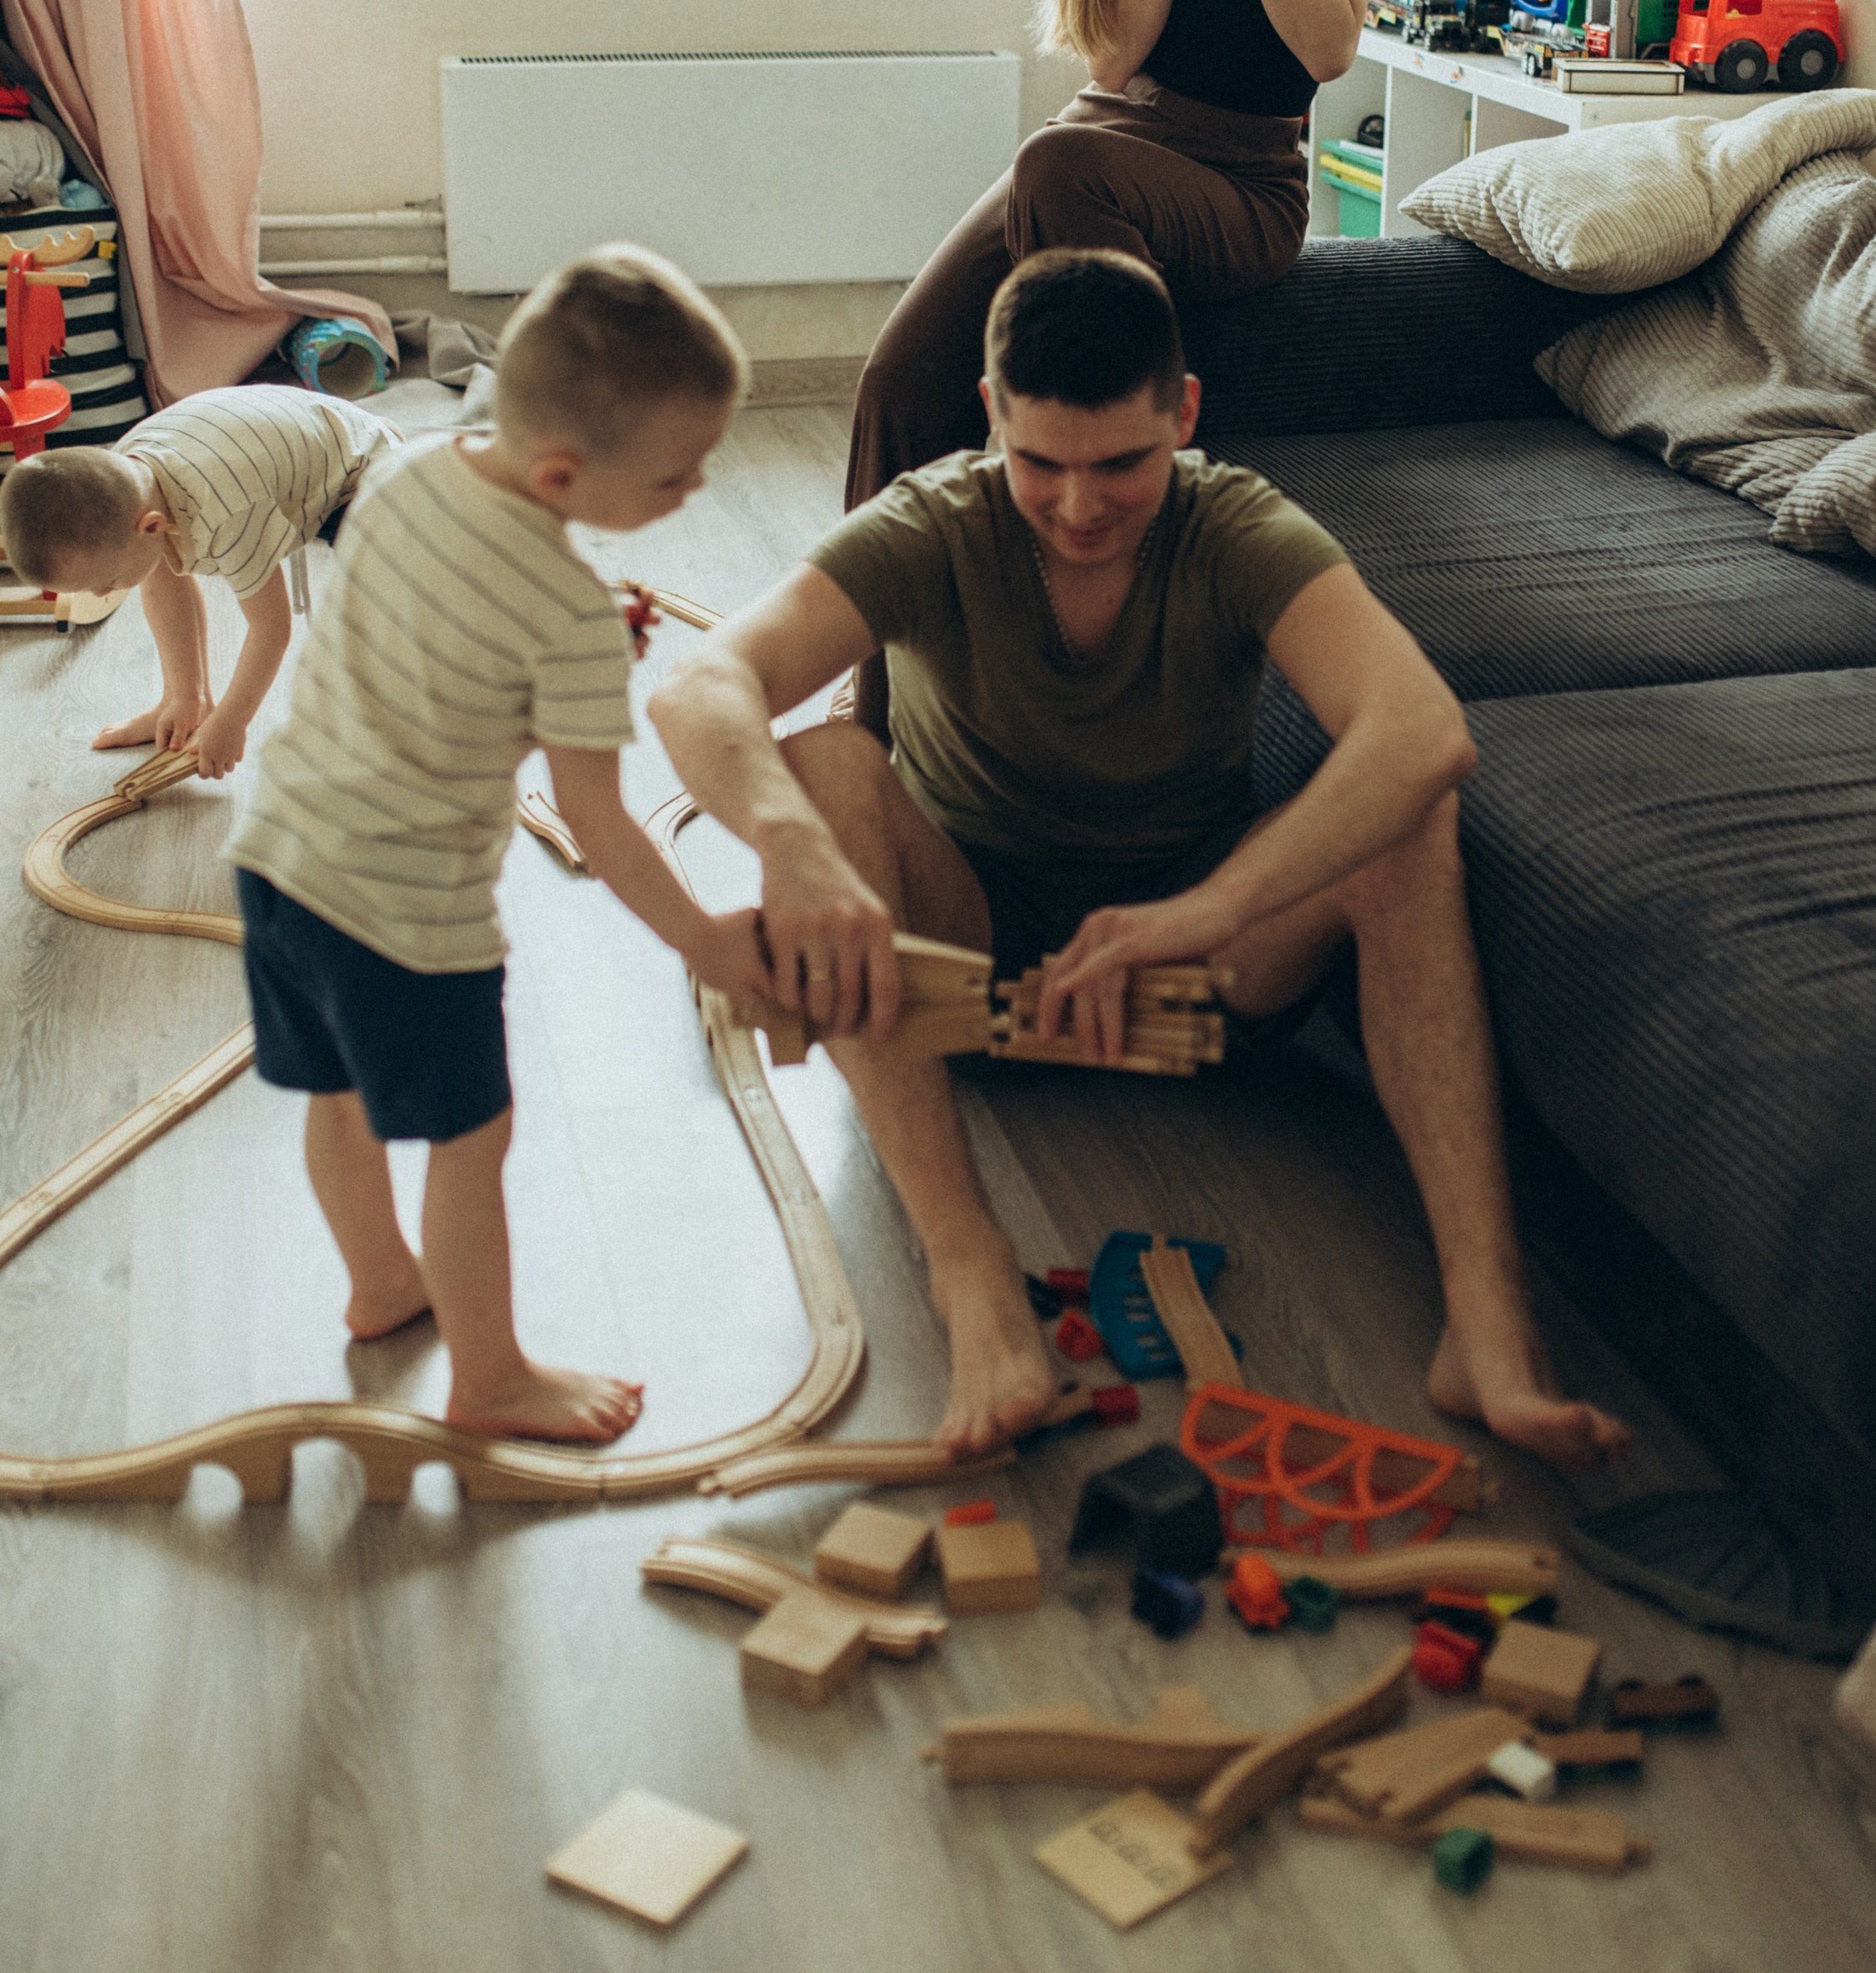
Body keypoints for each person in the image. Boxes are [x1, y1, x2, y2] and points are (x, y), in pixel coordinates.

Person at [653, 247, 1628, 1473]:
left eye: (1122, 463)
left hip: (1196, 951)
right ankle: (975, 1285)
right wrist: (790, 844)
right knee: (829, 764)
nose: (1078, 505)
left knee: (1411, 813)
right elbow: (700, 684)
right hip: (972, 953)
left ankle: (1487, 1327)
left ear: (1185, 414)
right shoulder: (934, 519)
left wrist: (1206, 908)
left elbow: (1422, 729)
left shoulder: (1233, 521)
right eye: (1040, 463)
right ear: (993, 414)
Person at [223, 248, 773, 1446]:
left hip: (276, 854)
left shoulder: (408, 475)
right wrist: (706, 941)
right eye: (679, 476)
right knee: (473, 1138)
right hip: (406, 909)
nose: (697, 486)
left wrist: (561, 660)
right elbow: (599, 820)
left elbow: (429, 648)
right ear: (567, 471)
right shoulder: (571, 612)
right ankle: (493, 1374)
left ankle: (379, 1283)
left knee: (337, 1094)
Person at [840, 0, 1393, 731]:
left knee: (1057, 161)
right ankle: (885, 719)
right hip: (1106, 146)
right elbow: (1112, 58)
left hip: (1243, 173)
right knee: (898, 384)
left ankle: (1064, 586)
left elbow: (1329, 48)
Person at [0, 387, 399, 779]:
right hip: (268, 441)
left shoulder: (227, 512)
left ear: (151, 526)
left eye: (105, 582)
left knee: (377, 592)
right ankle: (182, 701)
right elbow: (163, 582)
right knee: (160, 567)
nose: (103, 594)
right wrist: (186, 696)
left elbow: (271, 630)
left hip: (363, 460)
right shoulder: (125, 480)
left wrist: (230, 722)